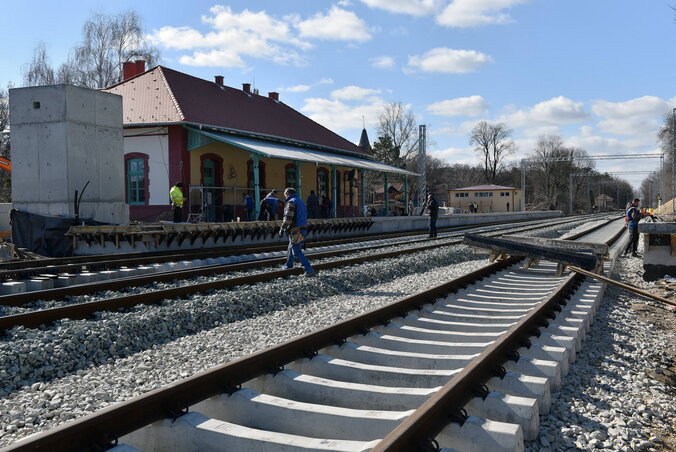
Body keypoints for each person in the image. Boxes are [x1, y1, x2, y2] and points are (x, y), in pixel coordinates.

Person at [279, 187, 316, 276]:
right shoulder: (300, 201)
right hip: (302, 227)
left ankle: (309, 269)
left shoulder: (291, 202)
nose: (284, 196)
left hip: (295, 229)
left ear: (288, 193)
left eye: (284, 194)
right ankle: (288, 265)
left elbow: (288, 218)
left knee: (296, 251)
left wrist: (282, 228)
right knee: (290, 247)